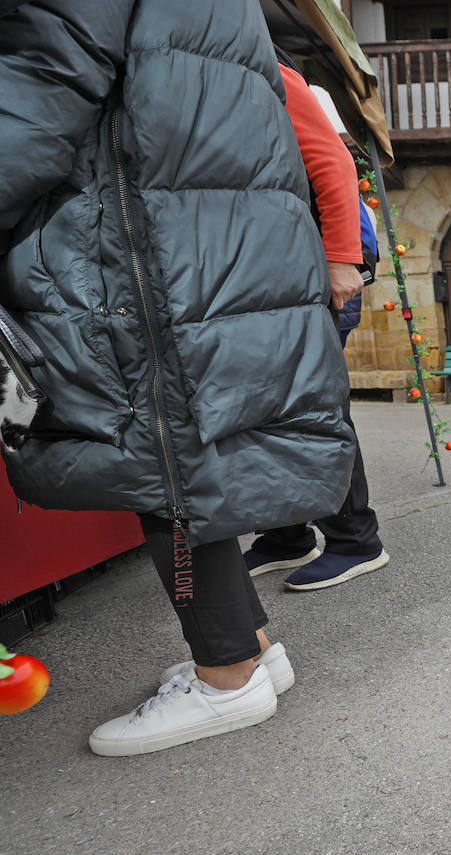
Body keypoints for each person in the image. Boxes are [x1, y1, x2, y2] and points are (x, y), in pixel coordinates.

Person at [0, 0, 354, 754]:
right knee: (188, 448)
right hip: (206, 240)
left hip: (138, 248)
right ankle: (250, 646)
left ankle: (226, 675)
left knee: (160, 462)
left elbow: (34, 88)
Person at [239, 53, 390, 593]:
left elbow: (332, 162)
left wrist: (343, 256)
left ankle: (355, 540)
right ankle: (285, 535)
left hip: (313, 273)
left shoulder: (264, 67)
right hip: (268, 278)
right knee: (265, 408)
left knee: (314, 407)